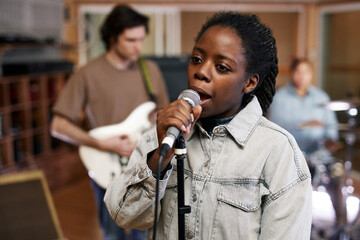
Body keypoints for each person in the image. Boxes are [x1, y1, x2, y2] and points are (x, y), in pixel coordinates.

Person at [104, 11, 312, 239]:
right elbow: (123, 215)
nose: (201, 72)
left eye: (222, 67)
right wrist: (160, 159)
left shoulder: (277, 150)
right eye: (197, 59)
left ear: (249, 82)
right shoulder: (163, 135)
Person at [50, 5, 169, 240]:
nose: (138, 47)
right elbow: (58, 126)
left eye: (141, 39)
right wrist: (103, 144)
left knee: (142, 231)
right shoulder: (86, 74)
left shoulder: (150, 69)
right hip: (108, 165)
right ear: (113, 37)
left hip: (142, 167)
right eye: (131, 40)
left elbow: (162, 114)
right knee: (112, 233)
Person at [268, 58, 339, 159]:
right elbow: (275, 129)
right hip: (289, 155)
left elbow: (332, 126)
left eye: (306, 72)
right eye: (298, 71)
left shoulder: (322, 97)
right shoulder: (279, 97)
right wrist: (304, 124)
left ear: (312, 74)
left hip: (319, 155)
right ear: (292, 73)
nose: (302, 76)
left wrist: (331, 140)